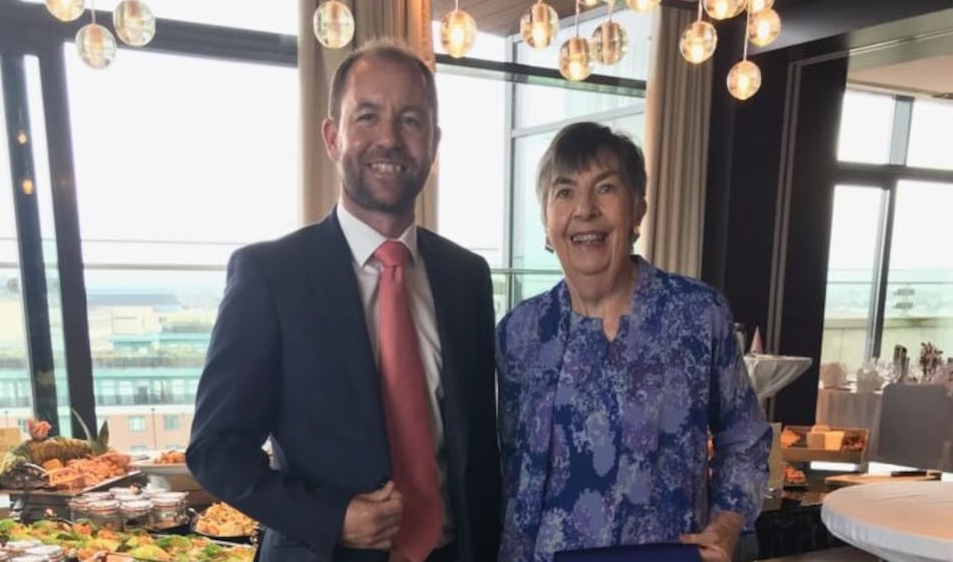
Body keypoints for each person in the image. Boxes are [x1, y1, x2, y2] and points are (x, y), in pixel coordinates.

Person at [187, 40, 500, 562]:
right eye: (368, 117)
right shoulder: (270, 276)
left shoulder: (468, 277)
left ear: (434, 142)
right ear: (332, 136)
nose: (389, 139)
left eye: (410, 121)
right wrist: (330, 518)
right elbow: (216, 450)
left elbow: (479, 452)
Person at [496, 122, 771, 562]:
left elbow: (745, 438)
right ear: (547, 223)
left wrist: (727, 522)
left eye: (605, 188)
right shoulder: (520, 332)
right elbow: (511, 474)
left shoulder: (698, 315)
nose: (584, 209)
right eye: (564, 192)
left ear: (638, 209)